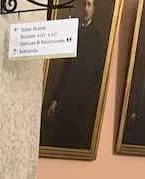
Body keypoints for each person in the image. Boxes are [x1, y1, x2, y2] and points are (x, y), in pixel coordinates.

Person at [41, 0, 104, 149]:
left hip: (80, 102)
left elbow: (97, 72)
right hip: (66, 99)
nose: (85, 9)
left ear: (94, 9)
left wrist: (84, 93)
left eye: (88, 5)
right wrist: (55, 99)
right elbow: (66, 68)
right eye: (84, 5)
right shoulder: (74, 33)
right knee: (57, 138)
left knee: (72, 139)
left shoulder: (96, 38)